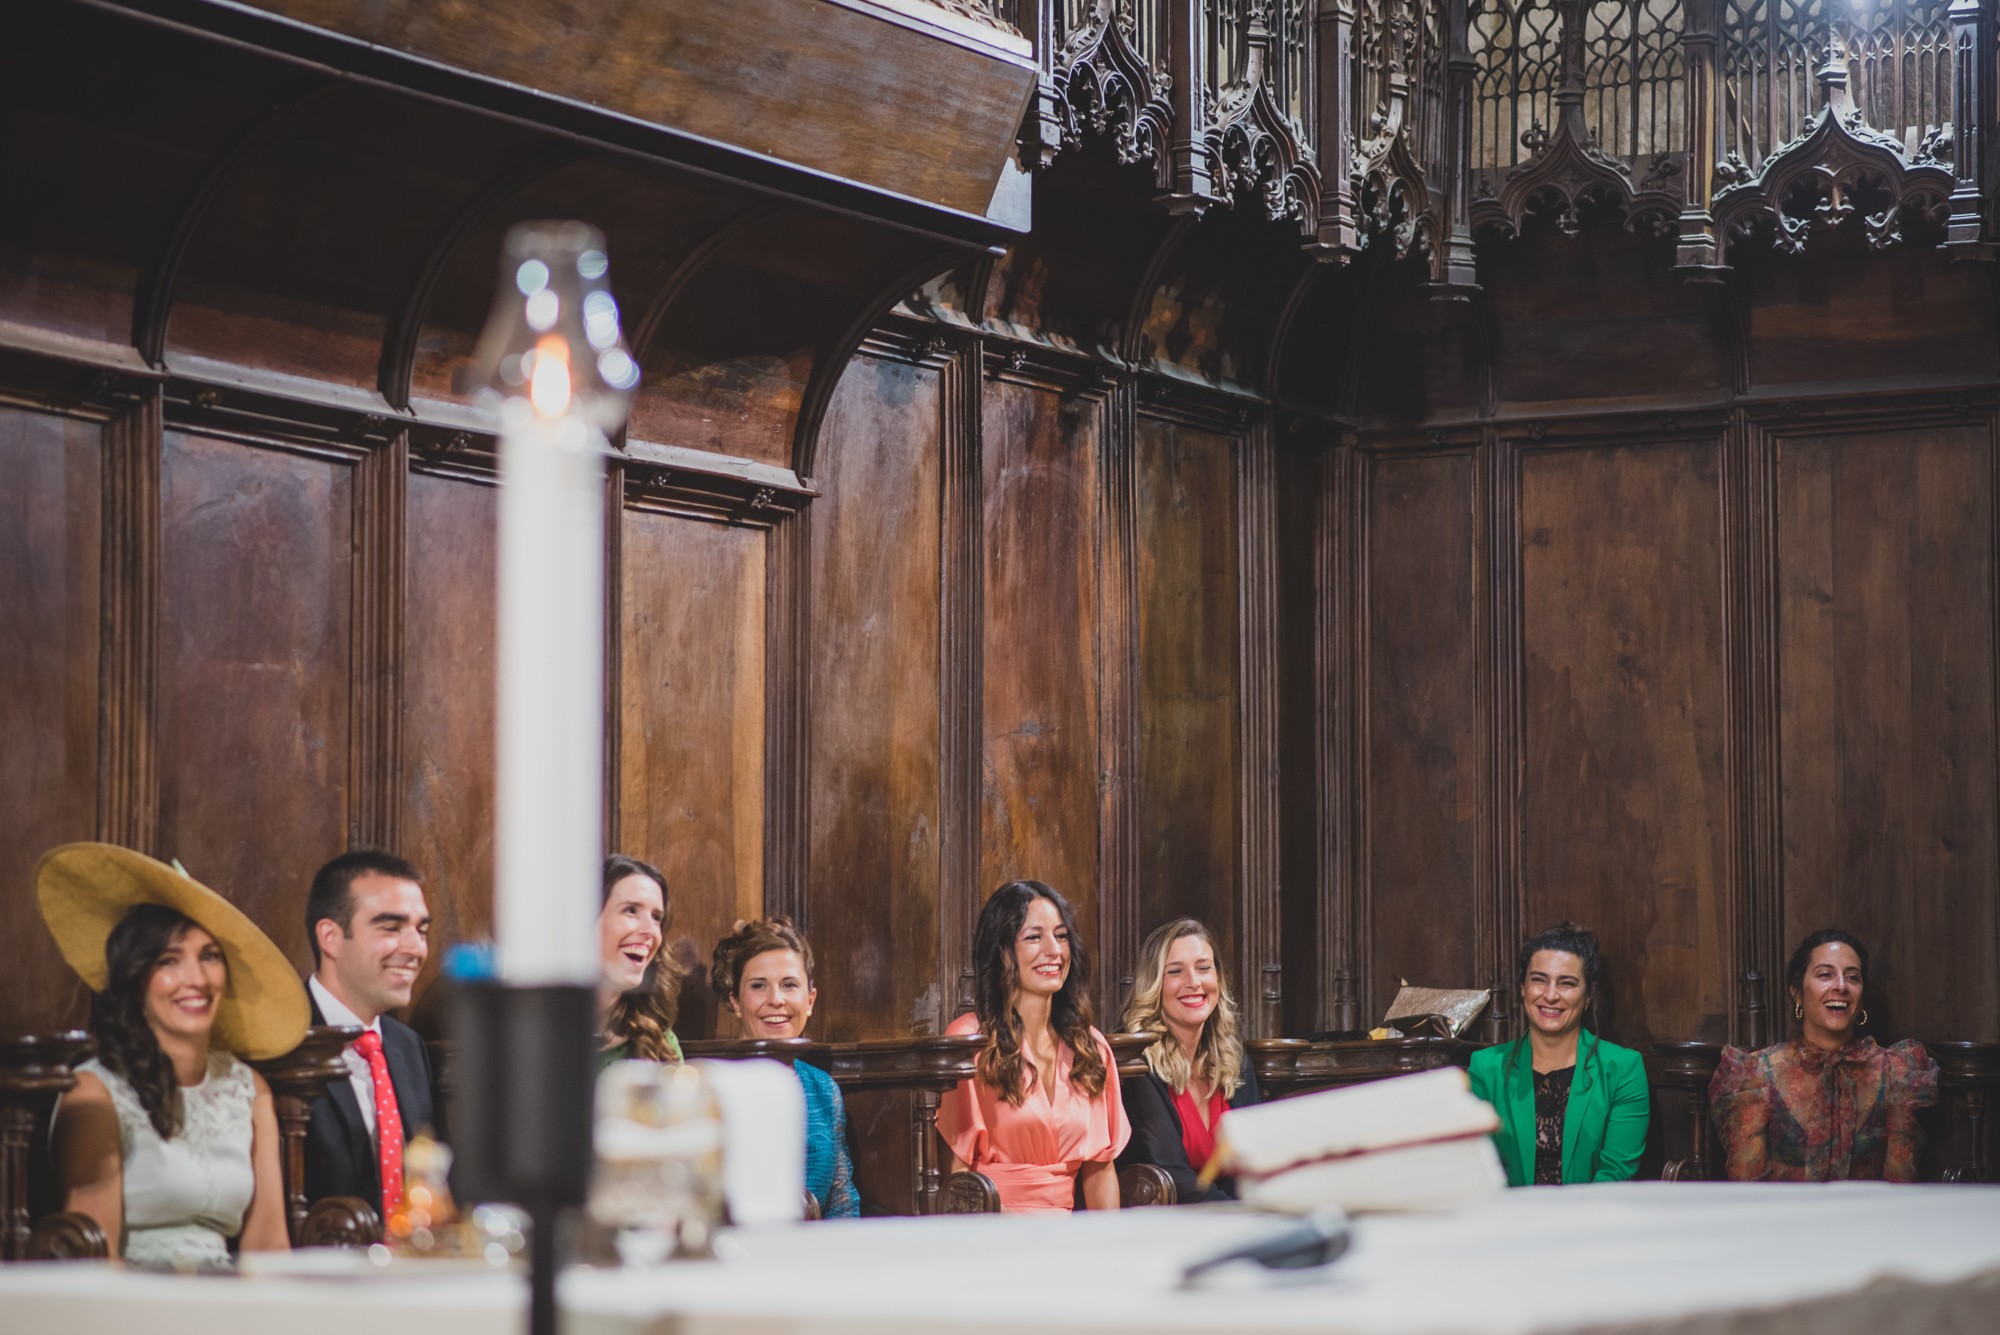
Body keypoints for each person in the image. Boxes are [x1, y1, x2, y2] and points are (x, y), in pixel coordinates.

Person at [39, 842, 306, 1267]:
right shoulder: (94, 1093)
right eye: (170, 960)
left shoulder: (250, 1089)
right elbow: (94, 1260)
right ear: (136, 978)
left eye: (210, 957)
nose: (196, 979)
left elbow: (269, 1247)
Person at [939, 880, 1128, 1212]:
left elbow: (1100, 1172)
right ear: (999, 951)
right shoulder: (969, 1040)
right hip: (994, 1236)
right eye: (1033, 937)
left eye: (1061, 935)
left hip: (1069, 1242)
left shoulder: (1090, 1046)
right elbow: (958, 1178)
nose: (1054, 950)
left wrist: (1106, 1250)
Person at [1710, 928, 1939, 1181]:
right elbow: (1747, 1188)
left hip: (1872, 1218)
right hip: (1779, 1219)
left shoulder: (1896, 1072)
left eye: (1852, 977)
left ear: (1861, 998)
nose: (1841, 986)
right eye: (1825, 975)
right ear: (1797, 992)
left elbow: (1901, 1184)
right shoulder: (1756, 1073)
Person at [302, 850, 443, 1222]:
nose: (415, 948)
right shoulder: (283, 1036)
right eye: (391, 928)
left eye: (421, 930)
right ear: (330, 937)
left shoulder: (406, 1047)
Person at [1469, 922, 1648, 1186]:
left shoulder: (1623, 1068)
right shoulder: (1486, 1067)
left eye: (1567, 983)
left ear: (1587, 995)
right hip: (1509, 1220)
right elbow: (1480, 1168)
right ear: (1523, 988)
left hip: (1591, 1220)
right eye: (1539, 980)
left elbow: (1615, 1175)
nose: (1550, 995)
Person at [709, 916, 859, 1218]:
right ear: (735, 1000)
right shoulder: (710, 1086)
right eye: (758, 986)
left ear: (810, 1000)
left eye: (789, 985)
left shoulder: (823, 1087)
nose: (776, 1000)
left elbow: (843, 1202)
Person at [1116, 918, 1260, 1201]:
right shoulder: (1137, 1062)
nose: (1194, 982)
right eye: (1176, 972)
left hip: (1233, 1219)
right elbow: (1175, 1178)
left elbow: (1256, 1158)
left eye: (1204, 968)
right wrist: (1248, 1219)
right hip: (1169, 1227)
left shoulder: (1235, 1058)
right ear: (1155, 984)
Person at [597, 854, 686, 1065]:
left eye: (657, 918)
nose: (650, 931)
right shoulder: (530, 1031)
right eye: (631, 911)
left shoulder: (659, 1043)